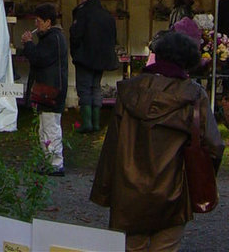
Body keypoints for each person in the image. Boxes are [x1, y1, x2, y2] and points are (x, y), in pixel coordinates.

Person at [91, 29, 224, 251]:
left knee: (132, 247)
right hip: (173, 191)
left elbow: (112, 146)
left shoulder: (129, 91)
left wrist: (105, 191)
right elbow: (213, 146)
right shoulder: (194, 95)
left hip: (128, 190)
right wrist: (202, 178)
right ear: (188, 61)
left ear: (159, 55)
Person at [21, 2, 68, 177]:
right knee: (45, 127)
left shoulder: (53, 39)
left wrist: (28, 44)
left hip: (52, 90)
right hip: (50, 88)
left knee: (51, 126)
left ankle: (55, 163)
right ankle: (49, 161)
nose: (36, 24)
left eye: (39, 21)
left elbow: (38, 59)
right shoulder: (53, 38)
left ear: (48, 22)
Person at [69, 0, 118, 133]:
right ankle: (96, 123)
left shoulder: (82, 13)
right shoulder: (107, 15)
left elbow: (76, 36)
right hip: (102, 59)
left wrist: (75, 52)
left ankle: (87, 124)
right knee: (96, 88)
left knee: (84, 89)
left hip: (85, 57)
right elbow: (114, 38)